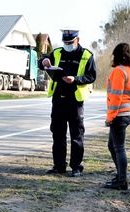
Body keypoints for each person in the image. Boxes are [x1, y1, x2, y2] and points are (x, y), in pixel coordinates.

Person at [39, 29, 97, 177]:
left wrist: (76, 79)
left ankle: (76, 167)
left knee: (76, 135)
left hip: (75, 101)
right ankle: (59, 166)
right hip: (58, 99)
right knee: (58, 134)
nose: (67, 45)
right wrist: (43, 61)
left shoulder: (86, 55)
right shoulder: (58, 52)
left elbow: (91, 76)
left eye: (70, 43)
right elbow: (43, 63)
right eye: (65, 42)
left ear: (77, 39)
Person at [104, 43, 130, 190]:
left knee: (118, 148)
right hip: (128, 112)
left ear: (116, 55)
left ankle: (122, 181)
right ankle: (120, 176)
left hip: (119, 114)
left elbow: (116, 96)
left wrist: (110, 117)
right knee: (112, 146)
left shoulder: (119, 71)